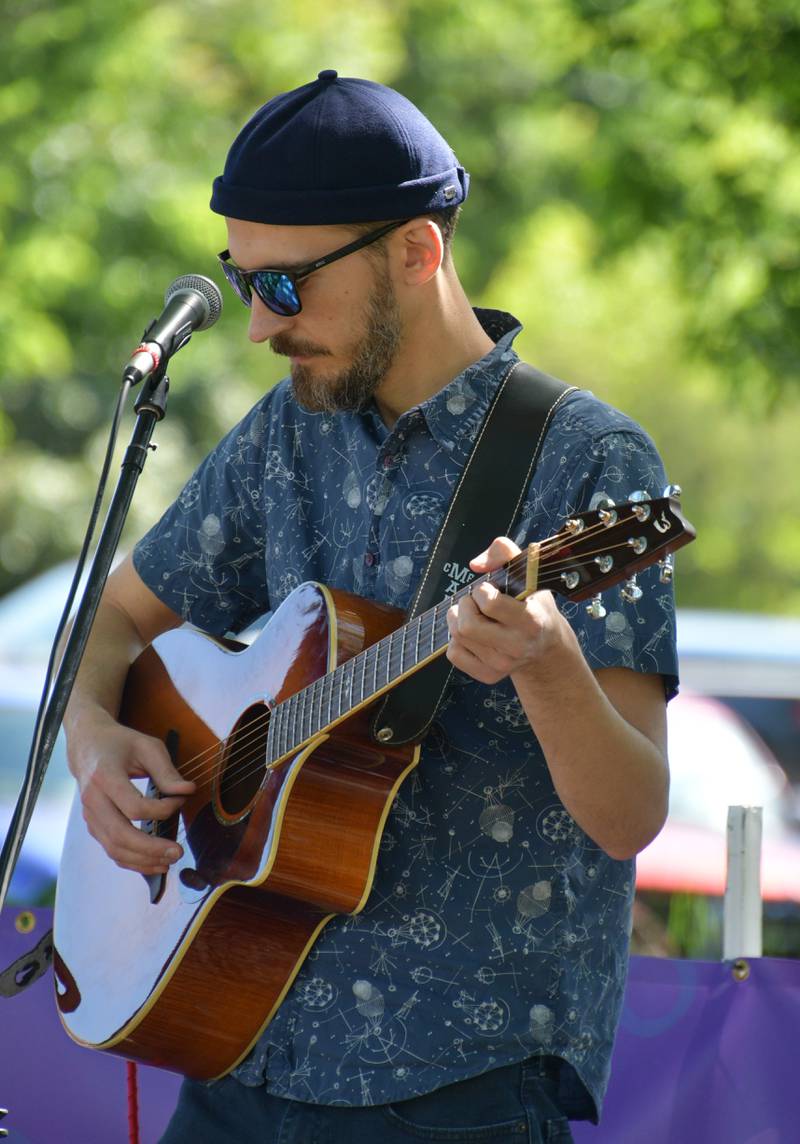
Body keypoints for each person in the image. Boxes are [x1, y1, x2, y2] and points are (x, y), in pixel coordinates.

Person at [64, 70, 679, 1143]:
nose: (259, 326)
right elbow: (108, 625)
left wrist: (544, 661)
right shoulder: (284, 432)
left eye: (287, 286)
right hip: (239, 1041)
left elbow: (628, 814)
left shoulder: (587, 460)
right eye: (241, 281)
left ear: (414, 251)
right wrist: (93, 742)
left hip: (457, 1086)